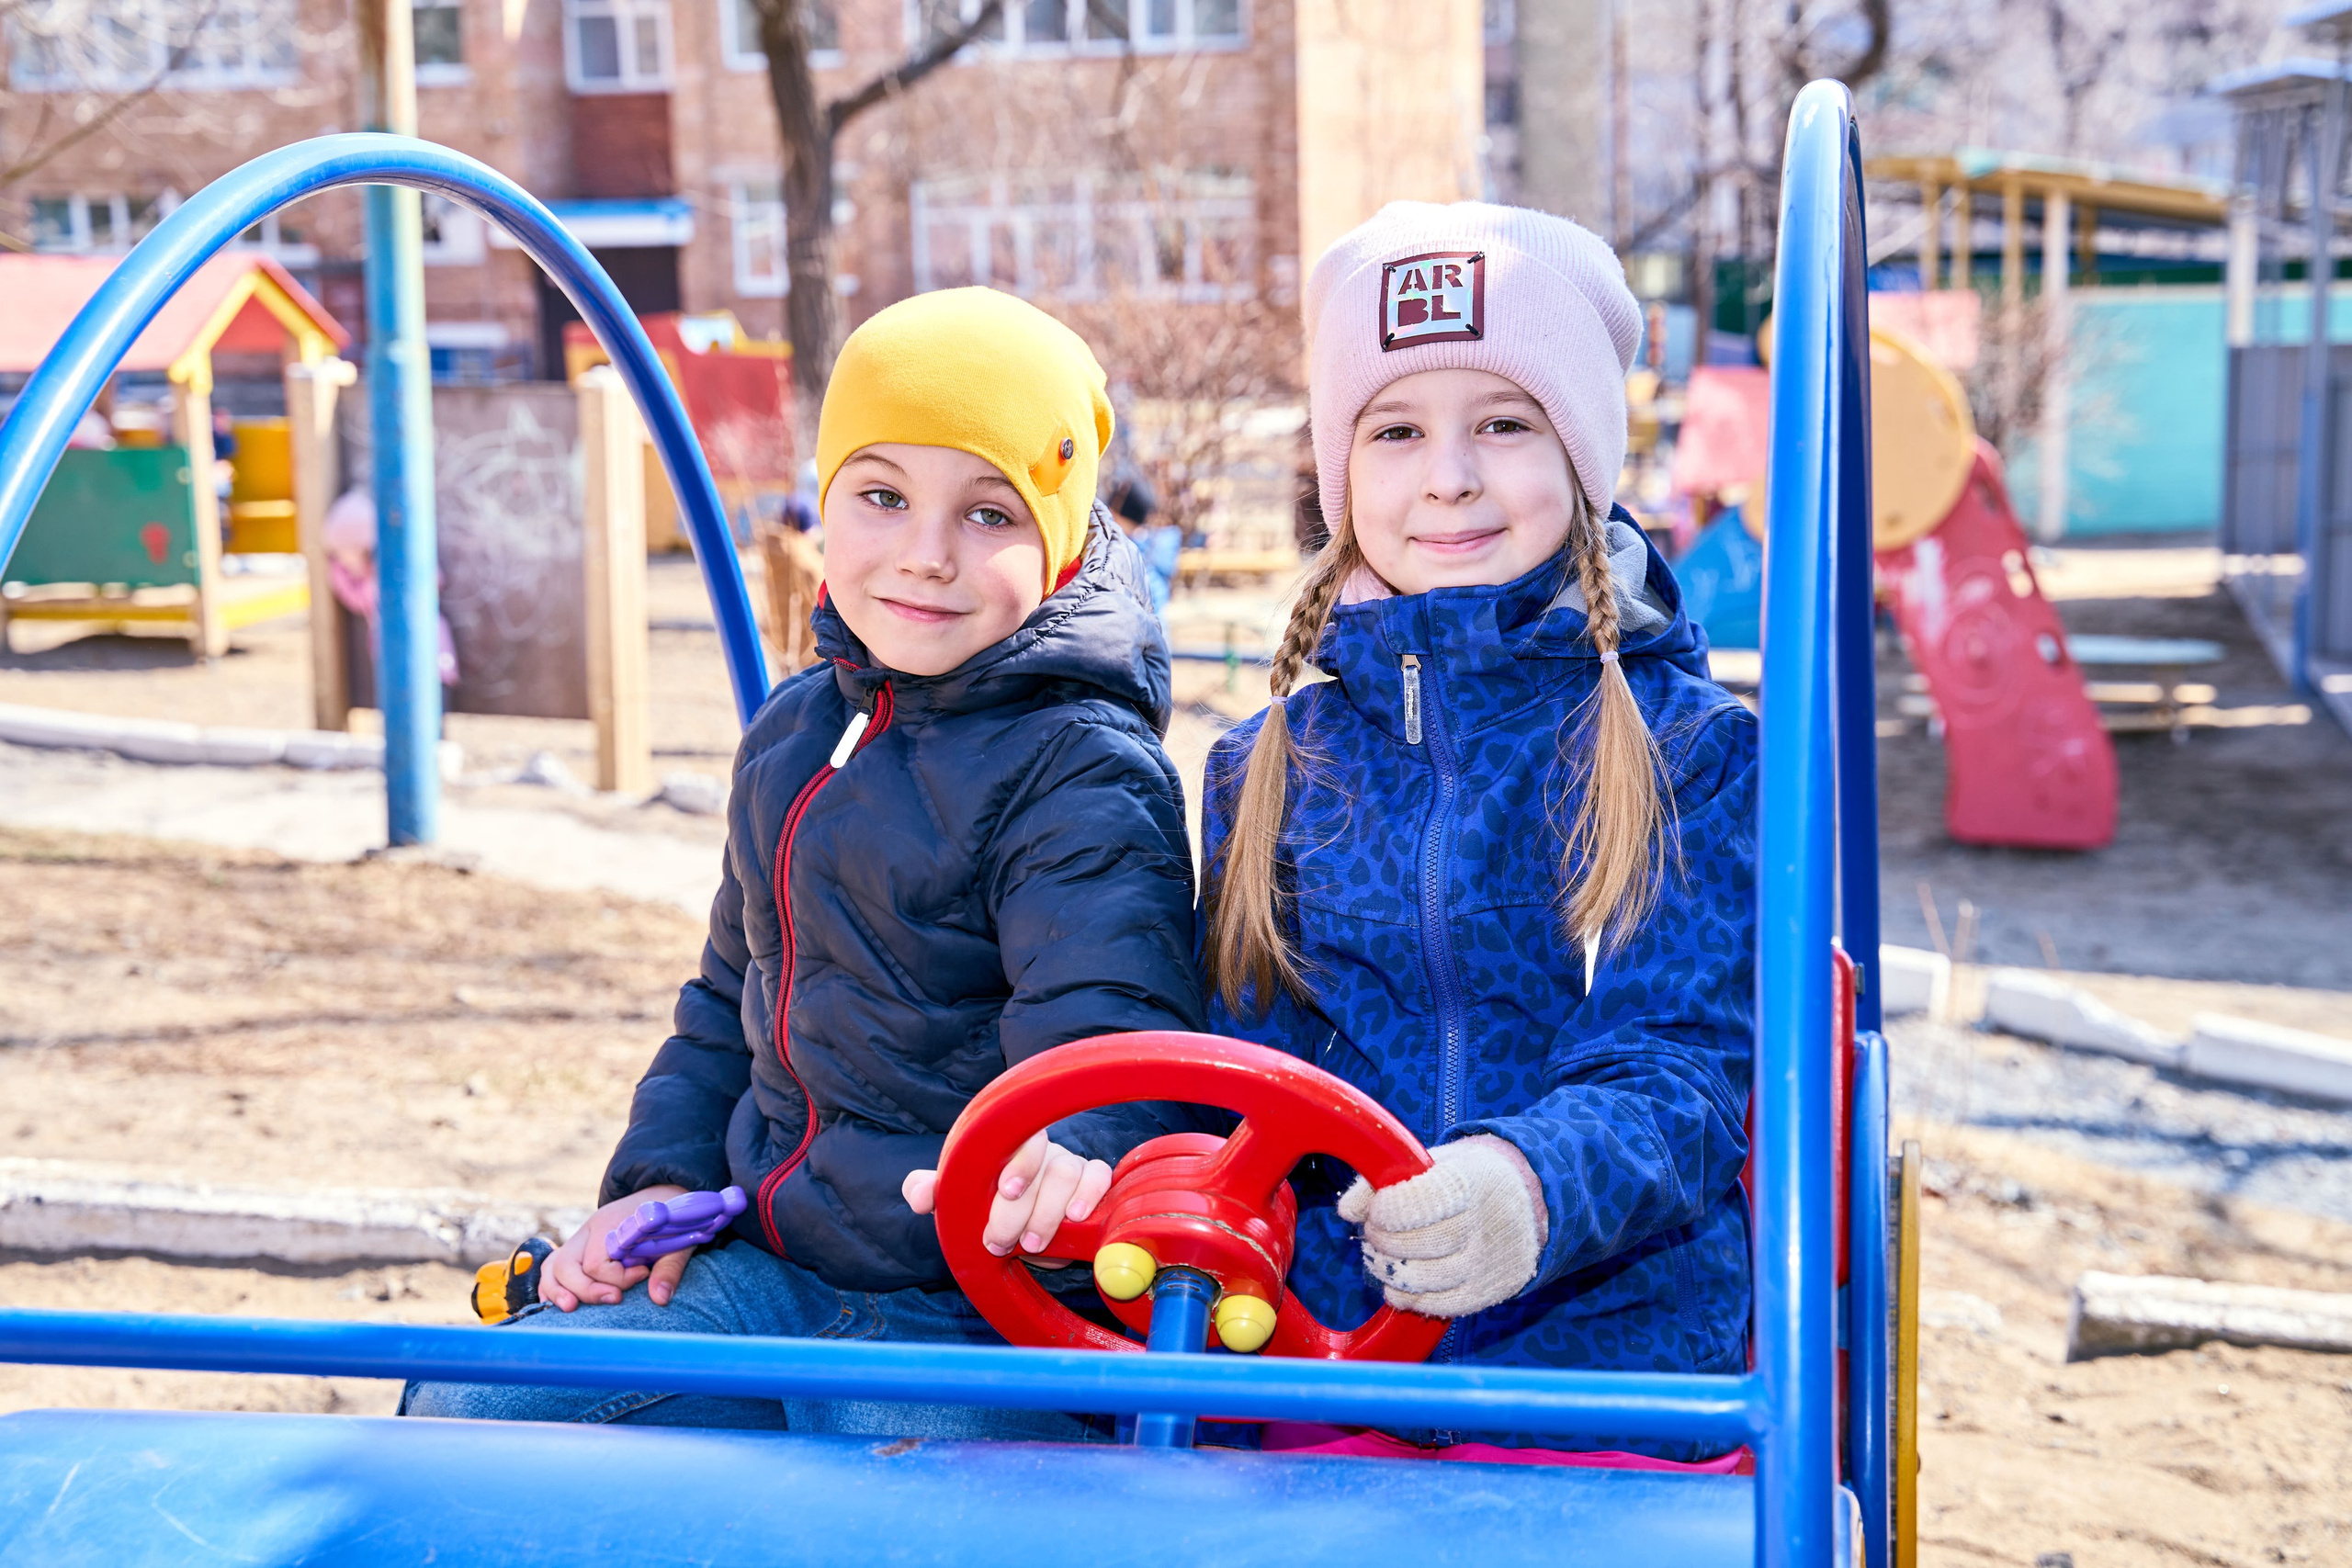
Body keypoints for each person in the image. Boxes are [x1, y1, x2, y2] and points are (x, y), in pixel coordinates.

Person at [402, 288, 1204, 1438]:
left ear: (1063, 536)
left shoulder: (1078, 768)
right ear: (823, 505)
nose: (924, 557)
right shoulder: (792, 737)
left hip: (973, 1301)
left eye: (988, 514)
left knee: (900, 1503)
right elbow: (725, 1000)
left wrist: (1077, 1146)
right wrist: (662, 1184)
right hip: (769, 1266)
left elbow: (1114, 1027)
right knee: (476, 1400)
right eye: (881, 497)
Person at [1199, 202, 1758, 1467]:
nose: (1446, 474)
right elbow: (1230, 1075)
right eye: (1394, 430)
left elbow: (1683, 1070)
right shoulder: (1264, 768)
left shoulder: (1688, 749)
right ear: (1342, 474)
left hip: (1606, 1366)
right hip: (1328, 1360)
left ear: (1584, 455)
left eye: (1503, 423)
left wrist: (1532, 1180)